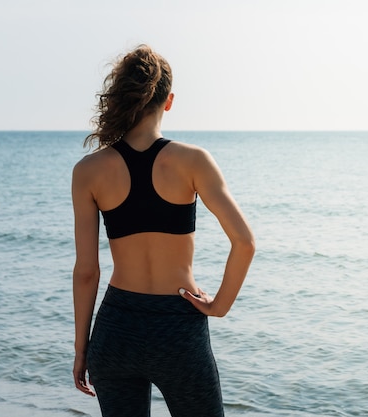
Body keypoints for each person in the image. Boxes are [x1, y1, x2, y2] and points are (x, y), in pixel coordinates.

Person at [71, 45, 255, 417]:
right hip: (178, 330)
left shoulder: (88, 171)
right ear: (168, 101)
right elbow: (245, 242)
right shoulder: (193, 161)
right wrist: (218, 307)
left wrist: (82, 348)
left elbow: (87, 271)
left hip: (116, 329)